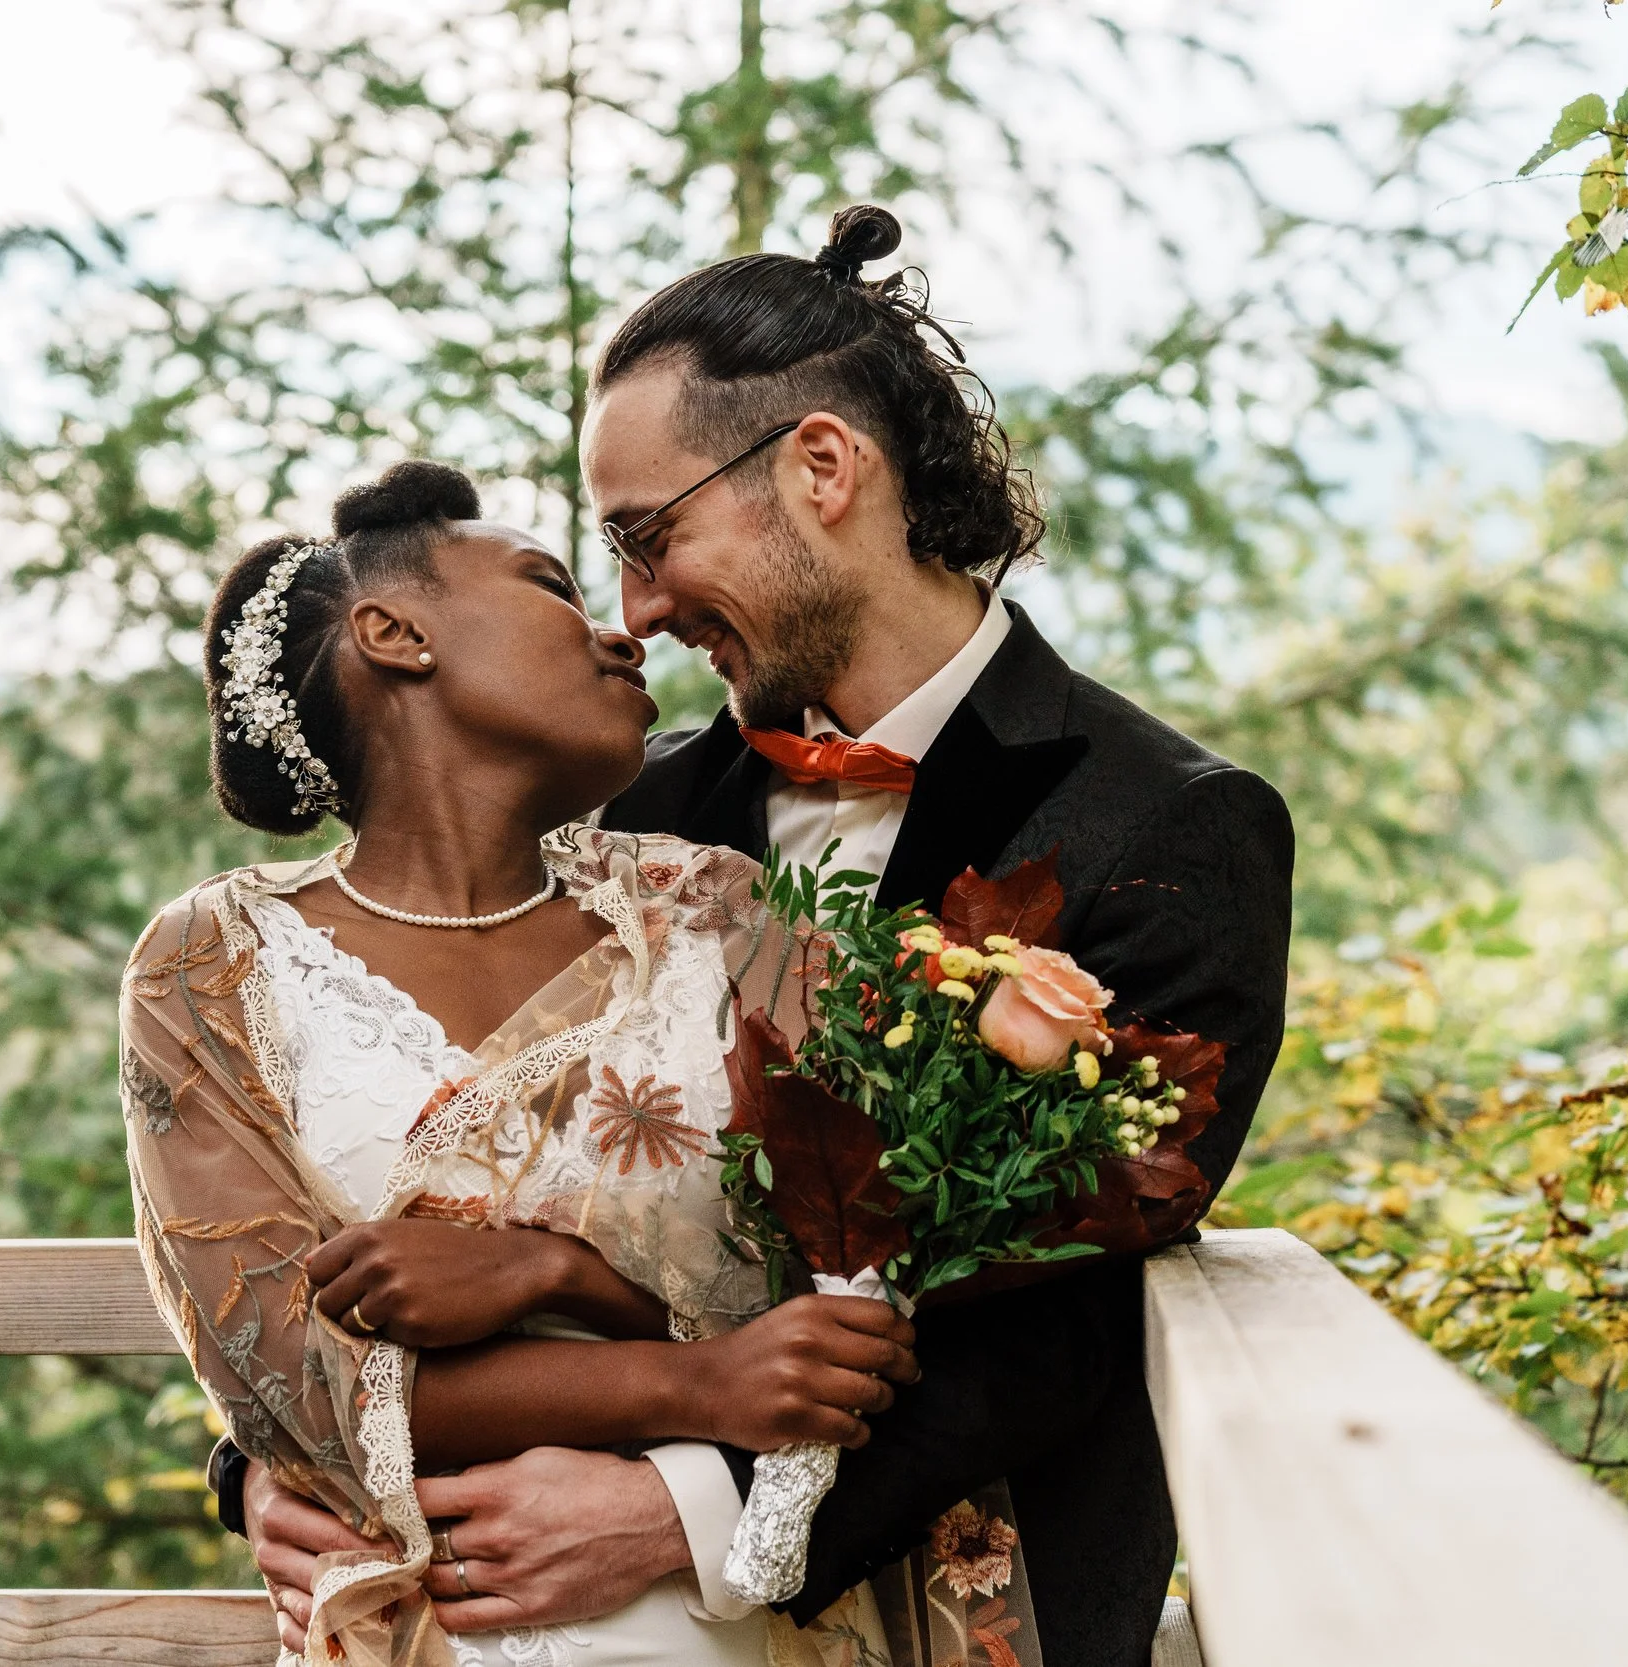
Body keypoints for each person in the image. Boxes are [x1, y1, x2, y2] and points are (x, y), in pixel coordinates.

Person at [217, 205, 1296, 1667]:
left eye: (649, 537)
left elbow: (1065, 1311)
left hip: (974, 1609)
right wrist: (274, 1463)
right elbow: (430, 1168)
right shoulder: (630, 814)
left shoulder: (1172, 823)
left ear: (822, 468)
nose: (639, 610)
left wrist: (686, 1510)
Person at [120, 458, 1043, 1666]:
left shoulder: (721, 912)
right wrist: (696, 1384)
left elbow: (874, 1281)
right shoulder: (212, 960)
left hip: (737, 1621)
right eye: (551, 585)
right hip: (430, 1626)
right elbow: (282, 1377)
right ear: (394, 634)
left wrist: (550, 1274)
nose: (623, 631)